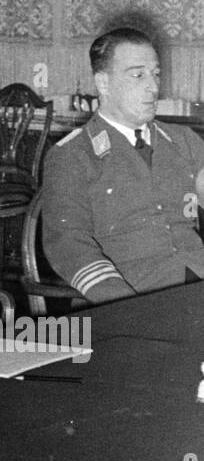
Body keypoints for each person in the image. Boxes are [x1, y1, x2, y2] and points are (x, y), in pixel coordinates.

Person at [42, 27, 204, 302]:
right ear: (103, 83)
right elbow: (69, 246)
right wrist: (123, 304)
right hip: (130, 298)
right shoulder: (73, 154)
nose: (153, 86)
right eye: (138, 75)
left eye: (156, 74)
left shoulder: (182, 140)